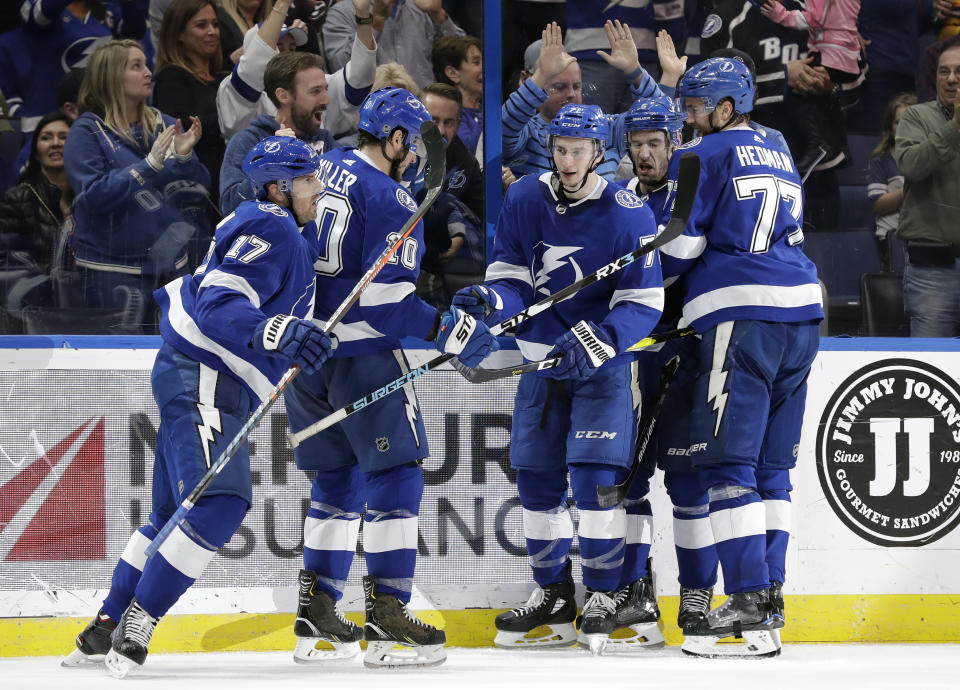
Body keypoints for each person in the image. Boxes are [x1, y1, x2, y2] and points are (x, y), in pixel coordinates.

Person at [63, 136, 334, 677]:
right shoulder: (272, 223)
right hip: (208, 374)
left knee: (168, 515)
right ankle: (138, 622)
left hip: (201, 375)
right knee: (222, 501)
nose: (318, 188)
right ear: (280, 188)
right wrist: (279, 331)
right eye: (307, 179)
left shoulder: (283, 230)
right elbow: (218, 305)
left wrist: (296, 337)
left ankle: (102, 628)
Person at [283, 87, 498, 669]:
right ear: (396, 139)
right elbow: (384, 304)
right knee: (395, 476)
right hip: (362, 358)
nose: (419, 154)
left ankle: (317, 617)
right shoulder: (391, 199)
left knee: (335, 481)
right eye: (415, 140)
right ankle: (388, 615)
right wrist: (444, 326)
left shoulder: (321, 166)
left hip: (307, 358)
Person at [453, 103, 663, 655]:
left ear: (598, 153)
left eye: (578, 151)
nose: (568, 161)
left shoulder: (628, 212)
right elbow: (512, 280)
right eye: (560, 149)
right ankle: (553, 597)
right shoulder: (524, 197)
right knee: (538, 480)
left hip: (601, 368)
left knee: (595, 480)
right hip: (539, 361)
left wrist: (596, 341)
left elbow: (643, 302)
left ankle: (602, 594)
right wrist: (490, 300)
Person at [661, 57, 823, 658]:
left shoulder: (700, 156)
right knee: (772, 470)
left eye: (698, 108)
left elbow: (682, 244)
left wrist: (649, 282)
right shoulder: (776, 149)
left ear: (727, 107)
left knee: (729, 466)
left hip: (744, 312)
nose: (689, 119)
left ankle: (749, 594)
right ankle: (768, 603)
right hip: (804, 311)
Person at [620, 96, 721, 639]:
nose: (644, 153)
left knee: (688, 485)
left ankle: (698, 598)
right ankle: (636, 593)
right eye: (636, 144)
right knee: (629, 481)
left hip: (684, 354)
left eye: (654, 143)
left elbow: (672, 268)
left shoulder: (690, 196)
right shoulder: (619, 201)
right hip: (633, 354)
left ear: (673, 144)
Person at [62, 39, 211, 333]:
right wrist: (149, 165)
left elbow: (200, 190)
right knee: (118, 364)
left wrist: (183, 159)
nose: (148, 72)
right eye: (136, 66)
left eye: (146, 64)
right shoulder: (87, 131)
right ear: (111, 76)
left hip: (171, 267)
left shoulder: (164, 123)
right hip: (112, 271)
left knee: (172, 358)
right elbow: (93, 197)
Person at [503, 21, 664, 180]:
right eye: (559, 87)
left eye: (577, 86)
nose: (571, 94)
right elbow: (503, 128)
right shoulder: (527, 134)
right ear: (525, 79)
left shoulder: (606, 128)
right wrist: (542, 74)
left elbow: (659, 118)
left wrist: (634, 71)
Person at [216, 0, 375, 145]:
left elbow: (359, 78)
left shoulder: (313, 85)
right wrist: (283, 4)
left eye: (292, 48)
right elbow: (255, 64)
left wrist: (363, 17)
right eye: (279, 47)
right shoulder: (237, 94)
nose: (288, 54)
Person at [894, 45, 960, 337]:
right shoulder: (916, 117)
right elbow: (911, 166)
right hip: (933, 270)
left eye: (959, 71)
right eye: (944, 71)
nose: (951, 78)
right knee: (929, 364)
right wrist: (955, 127)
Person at [219, 51, 335, 214]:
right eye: (315, 91)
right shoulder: (247, 141)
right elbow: (229, 207)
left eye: (325, 90)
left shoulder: (324, 139)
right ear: (283, 95)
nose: (326, 100)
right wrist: (272, 161)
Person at [759, 0, 862, 172]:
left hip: (834, 53)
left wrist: (780, 14)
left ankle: (823, 145)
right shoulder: (731, 15)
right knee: (799, 86)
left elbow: (813, 20)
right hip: (760, 156)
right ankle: (822, 145)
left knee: (802, 85)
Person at [16, 0, 149, 129]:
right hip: (47, 116)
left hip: (98, 114)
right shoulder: (37, 5)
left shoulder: (107, 10)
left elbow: (135, 32)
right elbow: (42, 13)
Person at [0, 112, 74, 332]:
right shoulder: (17, 198)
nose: (55, 144)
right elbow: (8, 262)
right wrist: (54, 277)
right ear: (36, 151)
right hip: (33, 307)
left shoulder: (91, 197)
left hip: (85, 304)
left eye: (64, 137)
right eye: (46, 138)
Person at [153, 0, 228, 209]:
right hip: (200, 192)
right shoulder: (172, 77)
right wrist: (231, 119)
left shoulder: (224, 77)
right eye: (201, 25)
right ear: (179, 34)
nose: (212, 31)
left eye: (215, 24)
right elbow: (175, 128)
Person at [323, 0, 464, 90]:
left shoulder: (423, 7)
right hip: (374, 116)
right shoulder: (343, 12)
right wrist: (375, 22)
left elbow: (466, 59)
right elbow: (341, 67)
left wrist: (439, 15)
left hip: (425, 111)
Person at [868, 92, 916, 271]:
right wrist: (911, 188)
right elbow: (877, 203)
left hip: (923, 235)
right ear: (890, 127)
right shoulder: (882, 161)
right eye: (898, 122)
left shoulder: (929, 158)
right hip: (892, 237)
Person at [420, 82, 482, 218]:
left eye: (448, 122)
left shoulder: (467, 165)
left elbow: (477, 225)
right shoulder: (396, 154)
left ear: (458, 124)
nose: (441, 131)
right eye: (434, 120)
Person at [431, 35, 483, 153]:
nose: (485, 68)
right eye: (476, 62)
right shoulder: (446, 115)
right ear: (453, 73)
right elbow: (469, 151)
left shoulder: (484, 107)